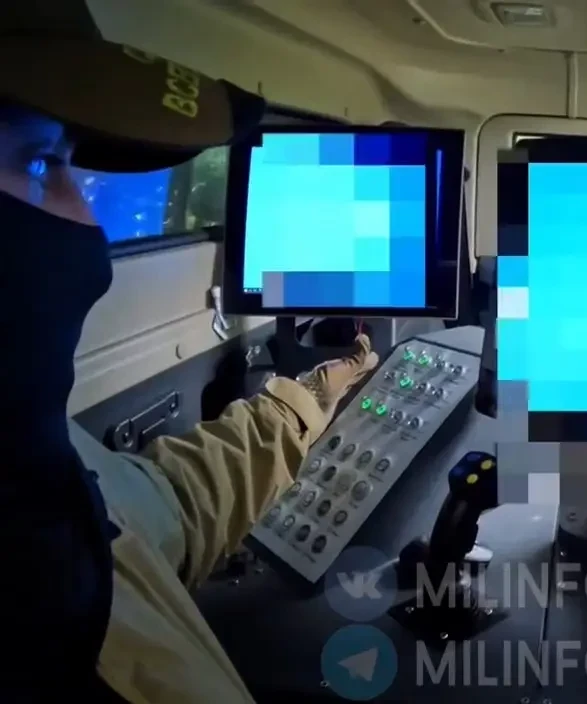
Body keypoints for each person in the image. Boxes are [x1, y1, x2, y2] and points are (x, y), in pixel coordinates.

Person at [0, 3, 376, 701]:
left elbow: (163, 511)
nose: (89, 236)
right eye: (40, 161)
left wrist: (300, 407)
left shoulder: (40, 471)